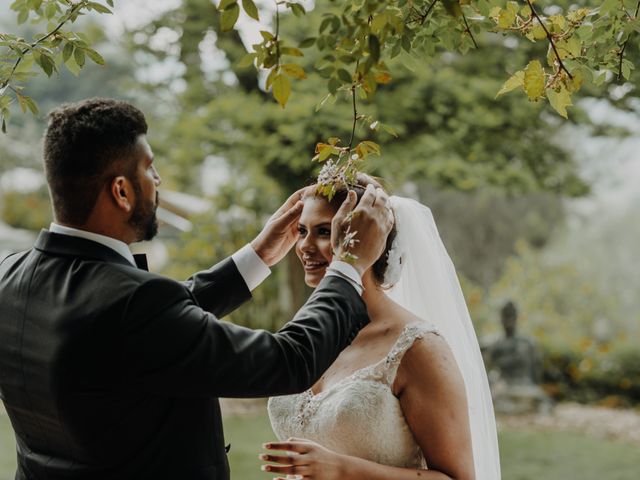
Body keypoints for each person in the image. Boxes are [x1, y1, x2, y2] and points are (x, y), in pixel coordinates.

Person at [0, 98, 394, 480]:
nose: (158, 180)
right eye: (149, 169)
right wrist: (348, 265)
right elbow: (287, 361)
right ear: (121, 191)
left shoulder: (9, 279)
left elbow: (142, 326)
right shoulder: (133, 306)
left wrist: (258, 255)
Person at [265, 177, 501, 479]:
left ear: (370, 238)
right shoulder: (302, 332)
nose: (305, 246)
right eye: (302, 231)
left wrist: (342, 469)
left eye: (324, 232)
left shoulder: (417, 347)